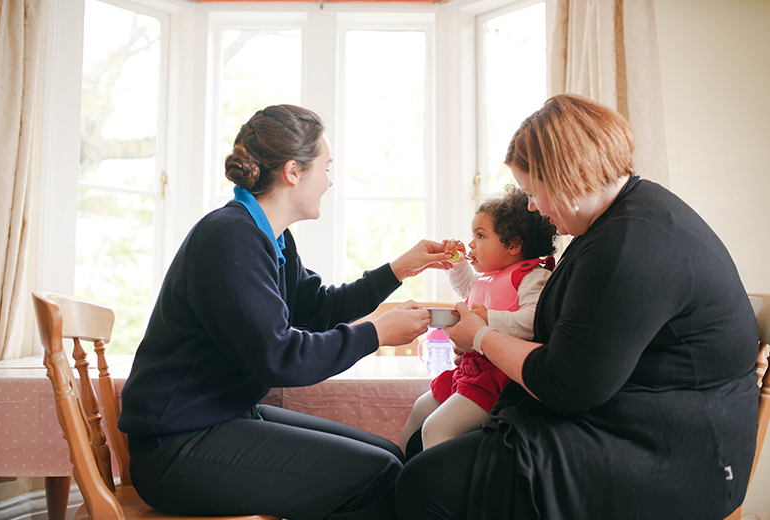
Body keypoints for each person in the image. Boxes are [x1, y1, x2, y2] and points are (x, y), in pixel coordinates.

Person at [395, 94, 759, 520]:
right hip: (627, 422)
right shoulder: (614, 222)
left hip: (669, 453)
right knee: (428, 456)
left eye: (534, 191)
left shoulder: (631, 246)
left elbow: (566, 384)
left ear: (568, 177)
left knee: (426, 483)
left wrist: (480, 336)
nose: (531, 206)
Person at [118, 104, 452, 520]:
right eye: (326, 168)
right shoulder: (229, 237)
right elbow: (280, 357)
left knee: (387, 455)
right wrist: (376, 333)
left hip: (218, 420)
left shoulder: (269, 237)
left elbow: (317, 308)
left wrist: (398, 270)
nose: (330, 182)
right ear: (294, 172)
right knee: (381, 474)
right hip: (176, 449)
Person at [398, 187, 557, 456]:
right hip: (469, 370)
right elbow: (468, 289)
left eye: (480, 236)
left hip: (495, 377)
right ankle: (393, 473)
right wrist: (458, 264)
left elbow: (533, 320)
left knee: (436, 428)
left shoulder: (532, 277)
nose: (471, 243)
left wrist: (487, 321)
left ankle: (437, 492)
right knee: (420, 409)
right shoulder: (490, 276)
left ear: (513, 245)